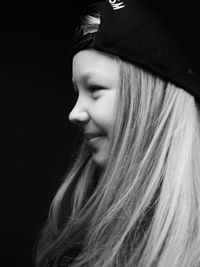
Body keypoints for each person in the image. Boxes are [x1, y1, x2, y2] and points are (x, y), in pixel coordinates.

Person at [35, 0, 200, 266]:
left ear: (148, 101)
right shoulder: (74, 233)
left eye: (95, 88)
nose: (74, 113)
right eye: (78, 93)